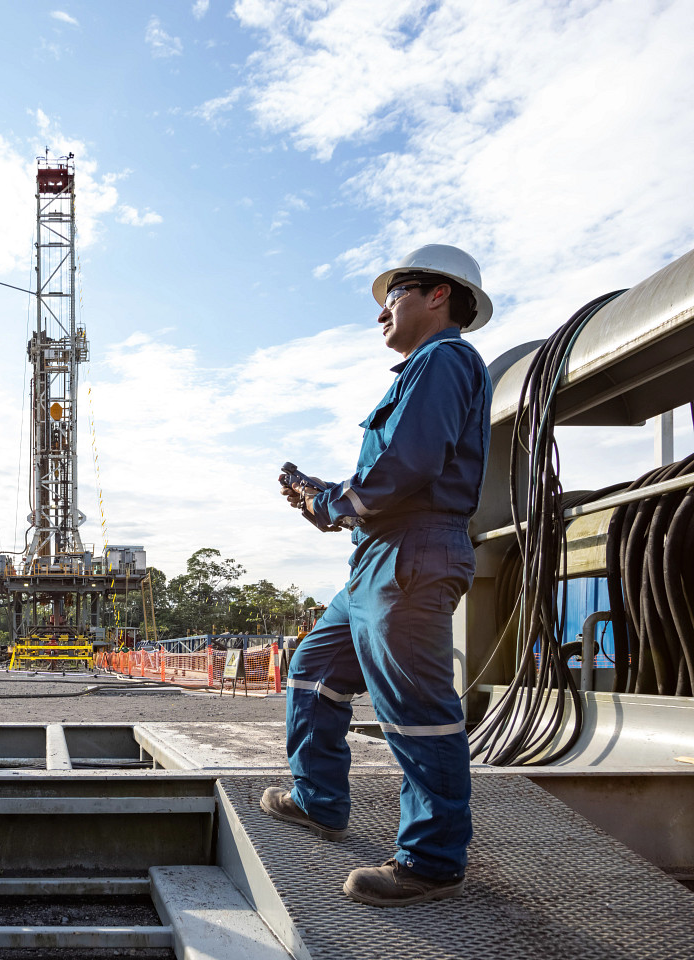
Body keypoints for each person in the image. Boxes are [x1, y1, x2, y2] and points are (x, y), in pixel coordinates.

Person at [261, 244, 493, 907]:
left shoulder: (445, 360)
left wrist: (331, 501)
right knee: (312, 670)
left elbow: (409, 467)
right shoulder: (420, 371)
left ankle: (432, 861)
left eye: (392, 296)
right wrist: (322, 499)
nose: (380, 313)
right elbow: (391, 476)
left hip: (412, 556)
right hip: (379, 559)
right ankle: (319, 799)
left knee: (415, 710)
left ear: (437, 295)